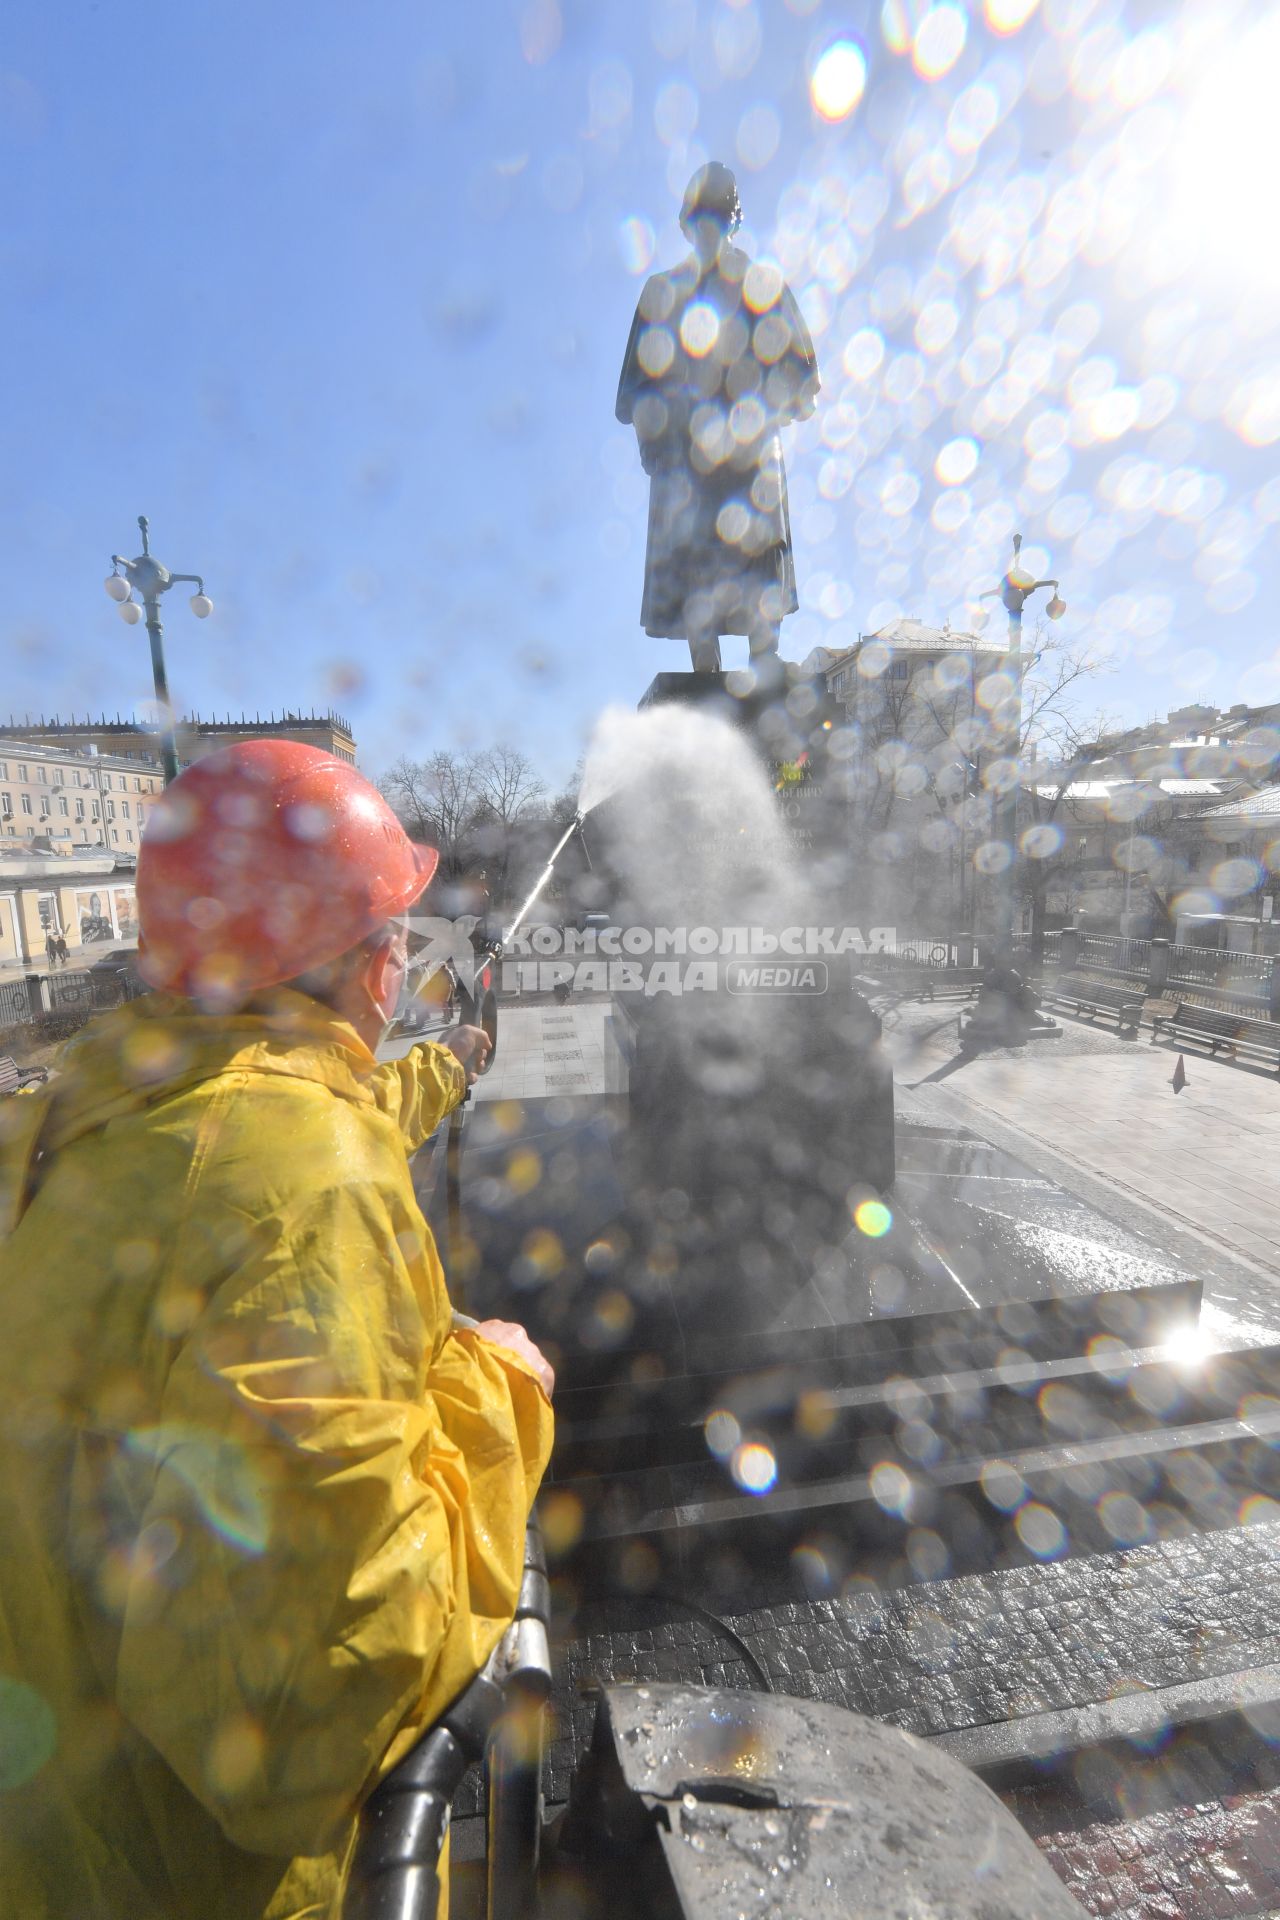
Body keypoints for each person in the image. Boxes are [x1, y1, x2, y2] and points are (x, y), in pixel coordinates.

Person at [0, 740, 555, 1920]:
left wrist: (448, 1065)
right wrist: (499, 1392)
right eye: (396, 934)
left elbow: (312, 1111)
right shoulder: (310, 1189)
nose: (405, 961)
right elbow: (309, 1703)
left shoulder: (88, 1117)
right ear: (367, 965)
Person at [616, 161, 820, 672]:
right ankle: (705, 677)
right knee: (696, 563)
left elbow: (803, 377)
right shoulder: (662, 292)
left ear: (733, 223)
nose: (708, 231)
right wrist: (655, 442)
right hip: (689, 457)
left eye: (717, 219)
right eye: (699, 221)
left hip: (750, 453)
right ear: (686, 225)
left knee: (757, 559)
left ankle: (764, 666)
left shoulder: (764, 285)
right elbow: (637, 389)